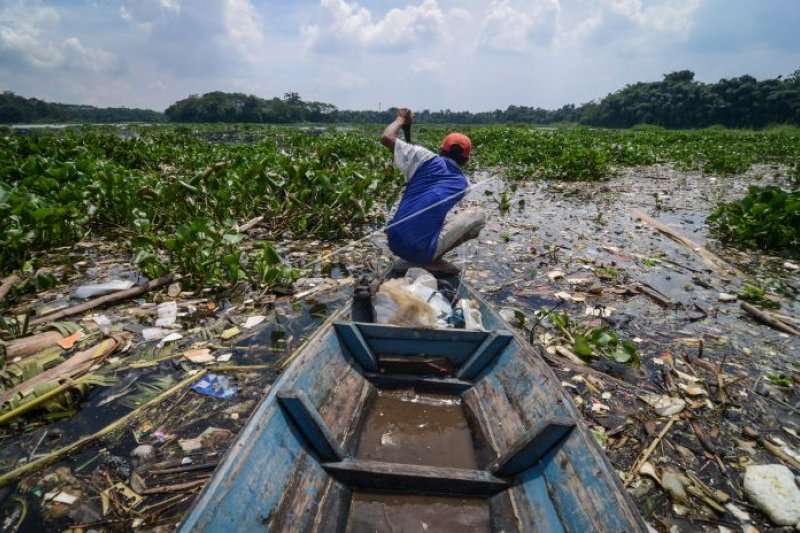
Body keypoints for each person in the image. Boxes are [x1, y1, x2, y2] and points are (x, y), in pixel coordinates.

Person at [380, 108, 485, 272]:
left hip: (394, 241)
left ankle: (420, 256)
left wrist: (401, 119)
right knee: (478, 216)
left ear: (441, 150)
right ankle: (430, 260)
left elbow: (387, 137)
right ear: (466, 160)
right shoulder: (463, 184)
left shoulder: (424, 158)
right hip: (419, 250)